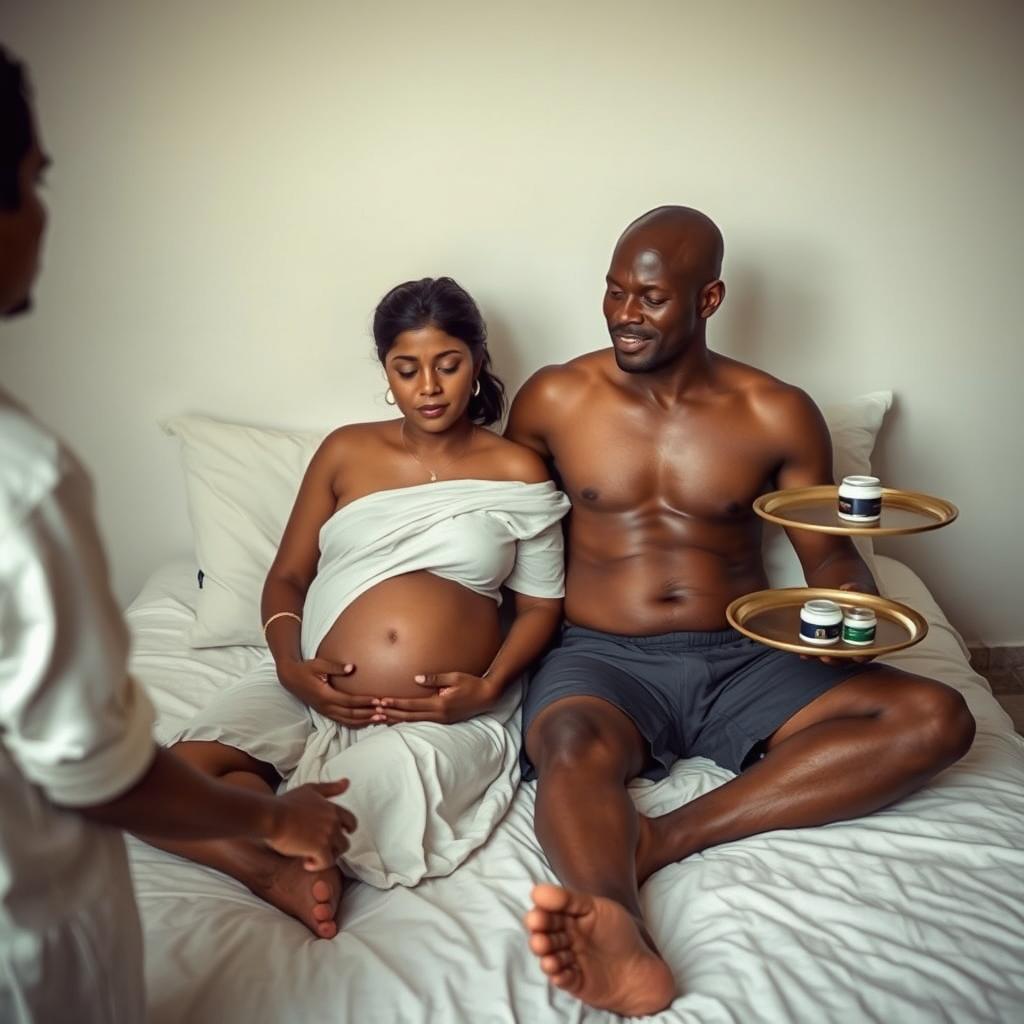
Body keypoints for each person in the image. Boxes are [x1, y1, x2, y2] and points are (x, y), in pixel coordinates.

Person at [506, 205, 977, 1017]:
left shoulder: (776, 411)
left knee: (937, 718)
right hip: (604, 654)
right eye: (614, 292)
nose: (624, 314)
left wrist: (850, 595)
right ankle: (618, 929)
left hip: (742, 651)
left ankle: (664, 837)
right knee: (569, 744)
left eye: (649, 298)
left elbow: (824, 551)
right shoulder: (554, 398)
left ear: (709, 299)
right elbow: (502, 536)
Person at [0, 48, 357, 1024]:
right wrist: (275, 815)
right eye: (34, 182)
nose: (44, 213)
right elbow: (97, 768)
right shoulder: (19, 480)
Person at [143, 276, 571, 936]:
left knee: (353, 801)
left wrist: (486, 688)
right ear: (386, 372)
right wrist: (289, 666)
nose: (429, 387)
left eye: (448, 364)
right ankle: (269, 866)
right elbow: (287, 577)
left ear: (477, 362)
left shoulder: (517, 473)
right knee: (175, 780)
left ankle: (272, 843)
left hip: (441, 714)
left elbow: (541, 607)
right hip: (308, 685)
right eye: (407, 369)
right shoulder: (346, 450)